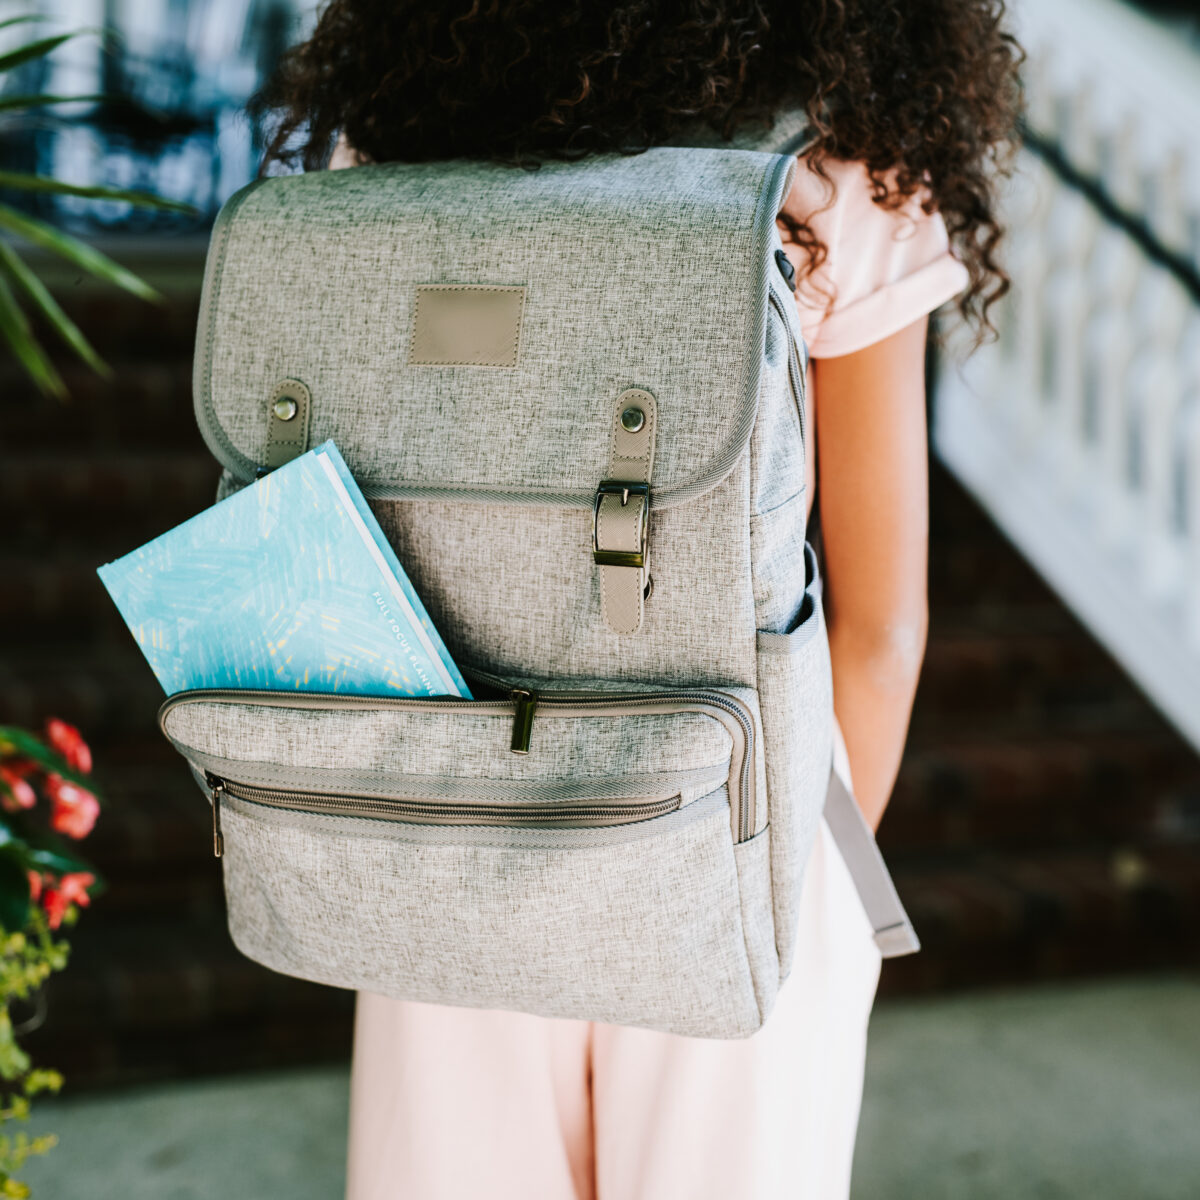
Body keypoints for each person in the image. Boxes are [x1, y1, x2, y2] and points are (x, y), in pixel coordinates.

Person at [251, 5, 1021, 1197]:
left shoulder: (401, 130)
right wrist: (794, 881)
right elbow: (884, 630)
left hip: (450, 807)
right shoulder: (838, 167)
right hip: (734, 817)